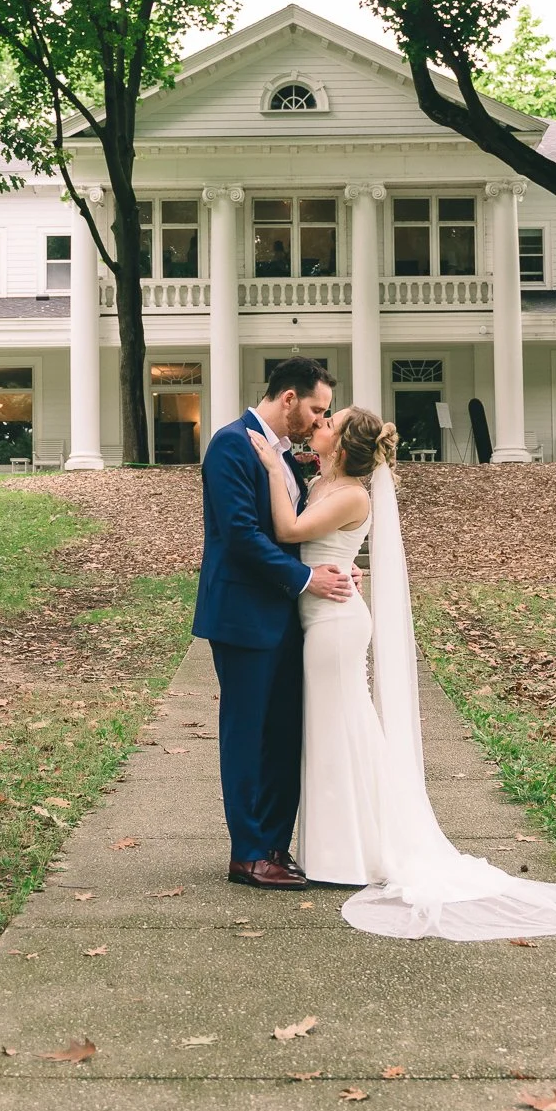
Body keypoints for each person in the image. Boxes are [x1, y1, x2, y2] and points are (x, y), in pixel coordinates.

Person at [250, 406, 556, 939]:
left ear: (346, 444)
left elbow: (288, 530)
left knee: (341, 732)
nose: (321, 424)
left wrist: (268, 467)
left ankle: (353, 854)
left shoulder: (353, 493)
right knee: (336, 734)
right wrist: (346, 562)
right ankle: (341, 849)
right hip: (321, 614)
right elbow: (324, 545)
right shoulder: (325, 481)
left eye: (332, 422)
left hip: (335, 625)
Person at [192, 358, 358, 890]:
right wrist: (307, 578)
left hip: (288, 617)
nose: (317, 422)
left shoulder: (284, 458)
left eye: (324, 414)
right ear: (288, 398)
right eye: (315, 409)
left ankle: (274, 846)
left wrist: (339, 563)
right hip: (242, 615)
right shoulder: (230, 444)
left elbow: (297, 531)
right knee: (247, 734)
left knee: (284, 734)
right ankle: (247, 853)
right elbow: (241, 535)